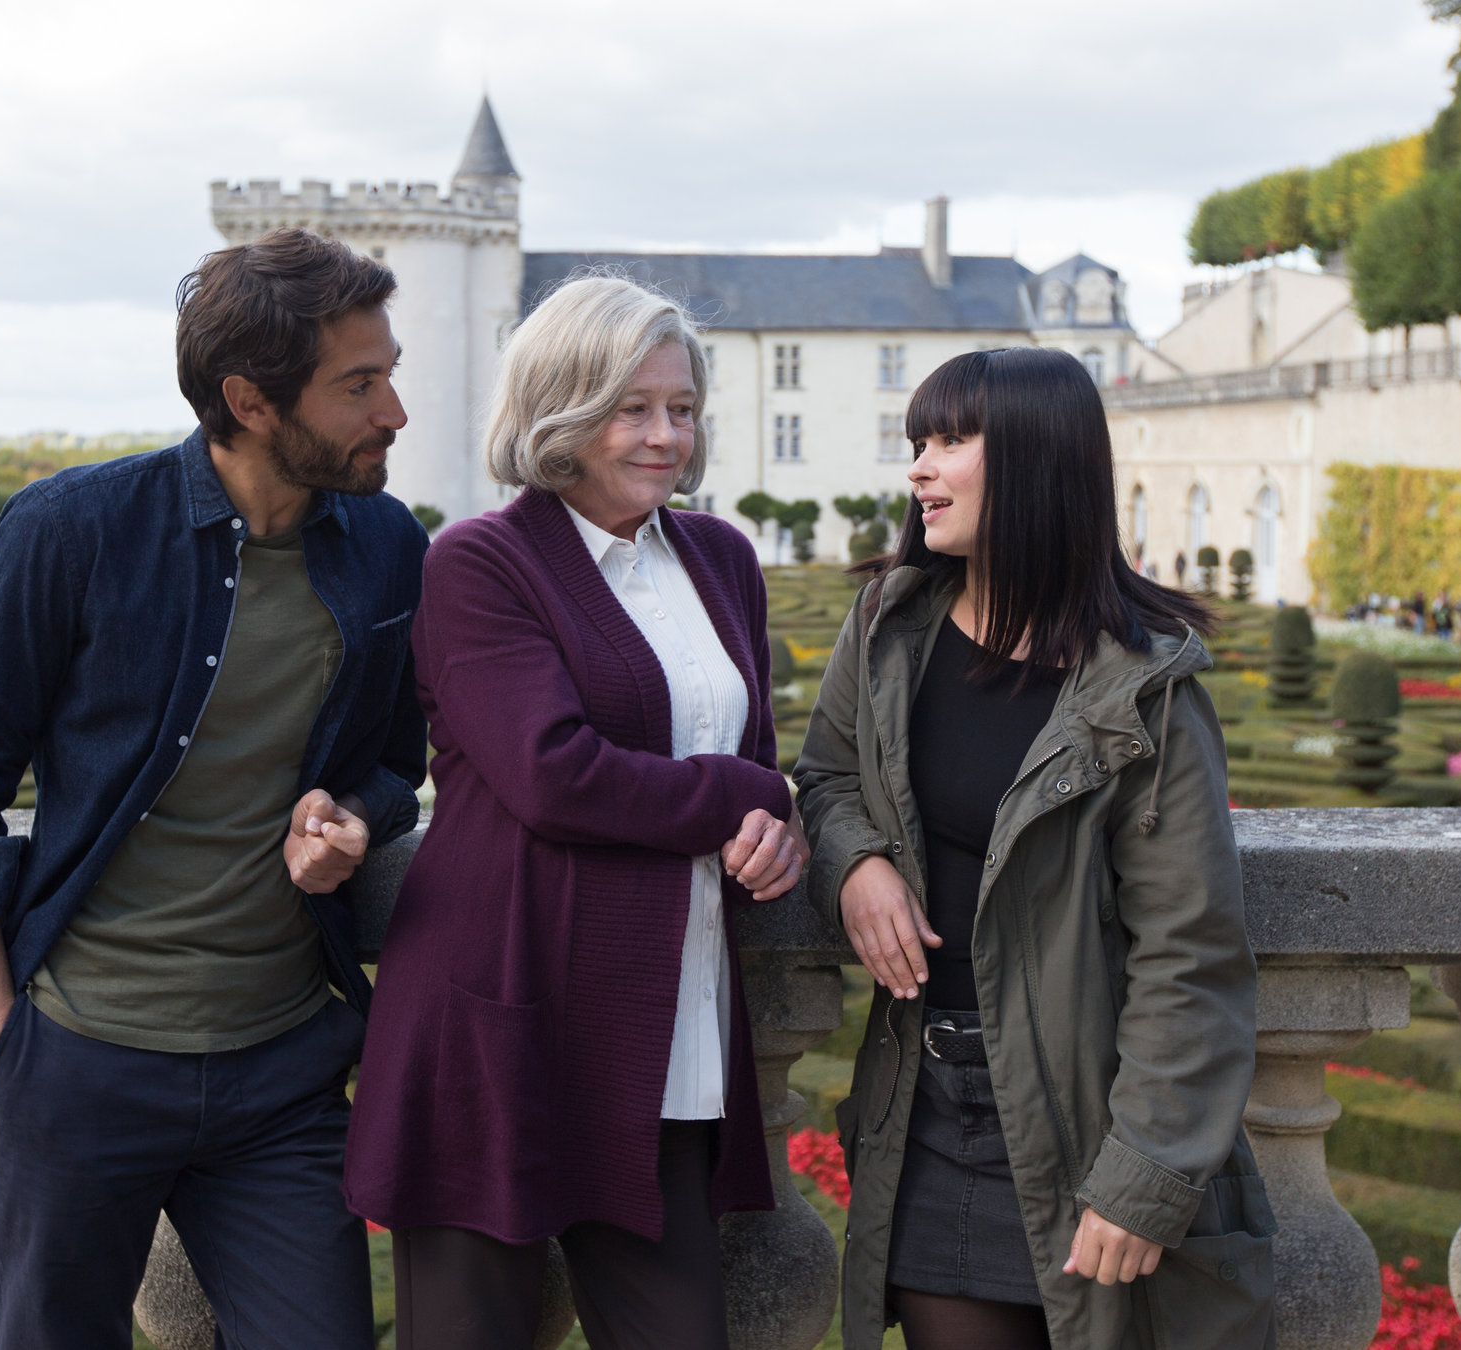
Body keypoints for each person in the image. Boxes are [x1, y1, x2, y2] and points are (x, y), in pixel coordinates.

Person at [0, 227, 429, 1349]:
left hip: (282, 1073)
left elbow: (397, 763)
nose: (395, 413)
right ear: (252, 399)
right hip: (80, 1067)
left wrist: (352, 821)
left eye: (391, 374)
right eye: (360, 384)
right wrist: (2, 1037)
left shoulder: (385, 544)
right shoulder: (72, 530)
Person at [346, 275, 804, 1350]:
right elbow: (554, 774)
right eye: (631, 407)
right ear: (560, 406)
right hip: (501, 1014)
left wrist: (775, 828)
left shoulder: (724, 559)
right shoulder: (482, 563)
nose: (665, 435)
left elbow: (758, 757)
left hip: (667, 1023)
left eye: (681, 408)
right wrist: (744, 798)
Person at [795, 348, 1272, 1350]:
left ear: (1039, 462)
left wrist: (1144, 1176)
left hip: (1084, 1122)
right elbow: (828, 779)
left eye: (950, 441)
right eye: (917, 443)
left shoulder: (1147, 690)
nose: (919, 467)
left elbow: (1190, 953)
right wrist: (858, 864)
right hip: (929, 1105)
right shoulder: (888, 626)